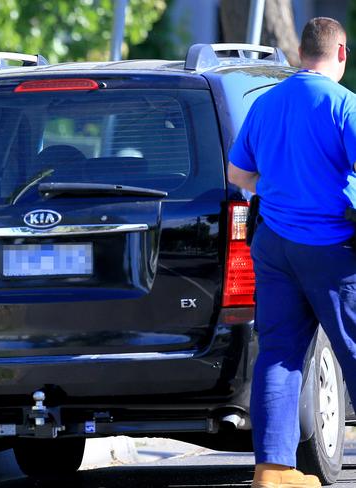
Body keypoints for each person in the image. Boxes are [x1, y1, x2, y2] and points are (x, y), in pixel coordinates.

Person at [228, 17, 356, 488]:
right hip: (329, 248)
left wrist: (281, 187)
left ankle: (273, 472)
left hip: (275, 246)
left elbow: (238, 174)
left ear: (301, 54)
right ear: (340, 53)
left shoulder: (265, 104)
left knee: (279, 354)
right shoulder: (344, 105)